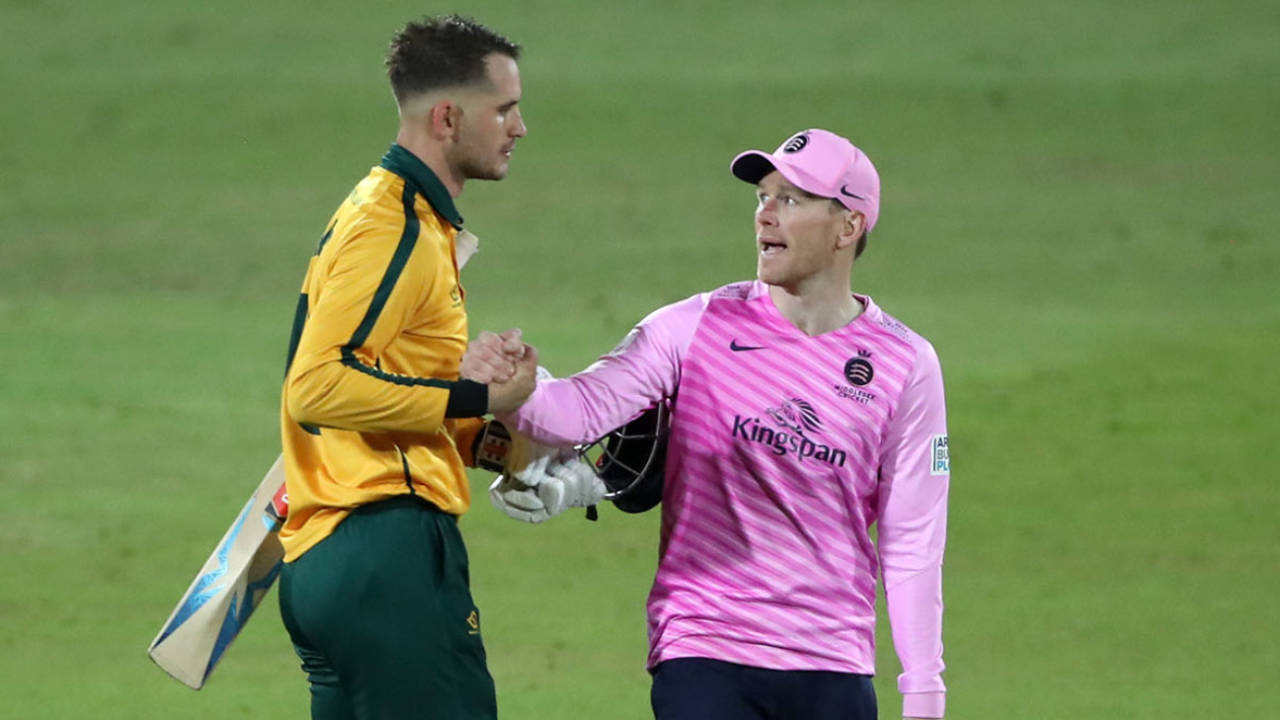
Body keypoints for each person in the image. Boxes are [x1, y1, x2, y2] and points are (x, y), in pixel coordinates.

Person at [472, 129, 950, 719]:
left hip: (833, 662)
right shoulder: (694, 327)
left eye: (792, 200)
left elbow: (913, 542)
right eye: (762, 197)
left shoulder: (904, 364)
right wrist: (511, 389)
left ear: (848, 227)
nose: (765, 215)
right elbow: (575, 412)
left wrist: (923, 692)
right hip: (704, 647)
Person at [276, 15, 540, 720]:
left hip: (338, 558)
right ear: (448, 117)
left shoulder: (401, 217)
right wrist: (477, 390)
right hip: (384, 551)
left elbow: (383, 390)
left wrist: (501, 446)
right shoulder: (393, 226)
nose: (519, 128)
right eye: (505, 110)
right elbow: (317, 386)